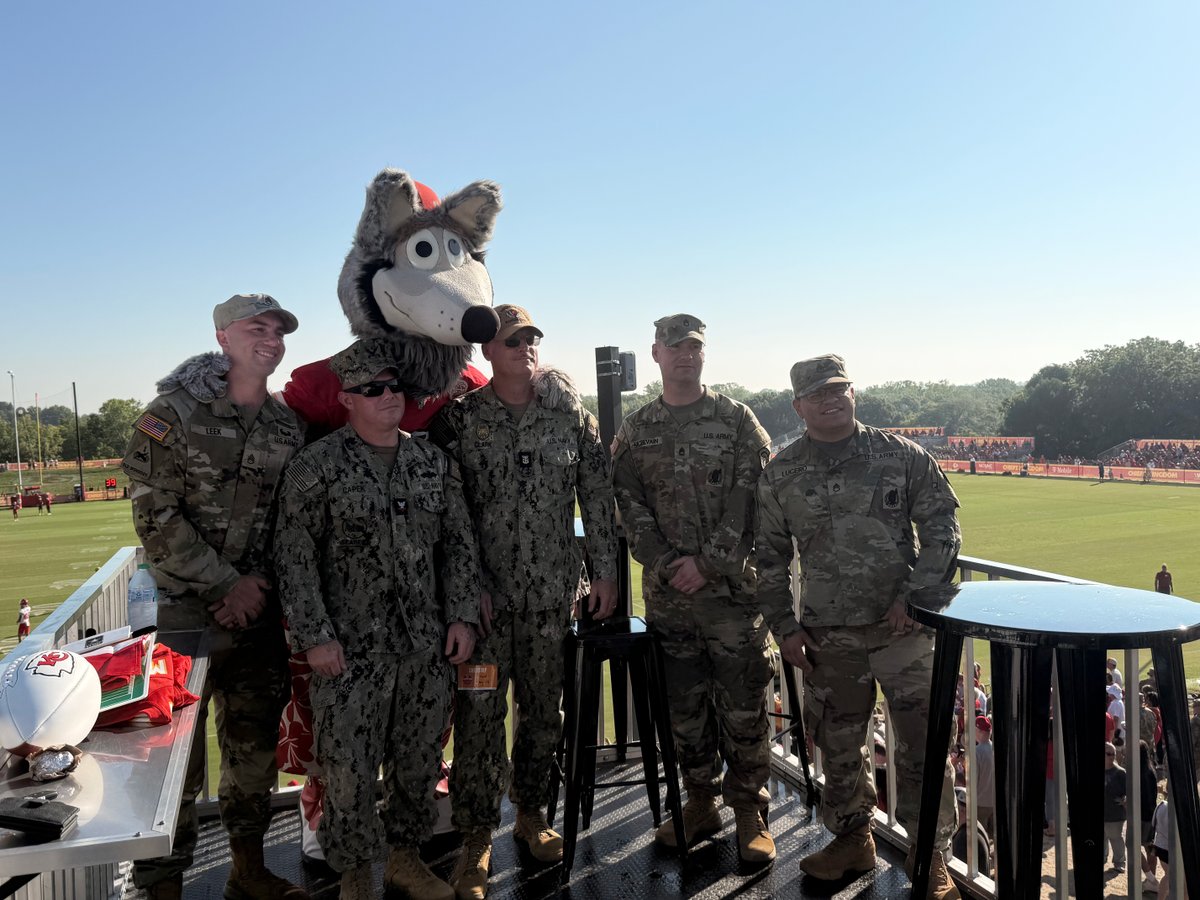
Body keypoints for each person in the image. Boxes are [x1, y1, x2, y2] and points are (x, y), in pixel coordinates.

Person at [274, 340, 480, 899]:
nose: (390, 397)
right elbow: (293, 559)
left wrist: (461, 617)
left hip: (424, 648)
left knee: (418, 763)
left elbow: (459, 546)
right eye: (373, 389)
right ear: (347, 400)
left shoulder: (432, 463)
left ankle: (405, 860)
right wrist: (315, 638)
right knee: (348, 772)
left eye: (395, 387)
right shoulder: (316, 468)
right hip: (348, 653)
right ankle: (356, 877)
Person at [429, 305, 620, 898]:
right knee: (480, 721)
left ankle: (533, 814)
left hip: (549, 602)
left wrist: (606, 573)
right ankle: (477, 841)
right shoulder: (460, 421)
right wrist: (465, 593)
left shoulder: (570, 417)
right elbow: (448, 518)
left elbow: (597, 495)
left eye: (532, 338)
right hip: (486, 612)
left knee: (543, 716)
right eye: (513, 340)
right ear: (489, 351)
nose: (525, 347)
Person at [122, 293, 307, 900]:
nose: (273, 339)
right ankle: (163, 886)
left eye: (280, 331)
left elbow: (295, 522)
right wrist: (227, 585)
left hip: (255, 618)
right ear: (224, 336)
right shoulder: (172, 413)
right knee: (172, 764)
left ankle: (247, 870)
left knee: (252, 754)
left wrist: (255, 592)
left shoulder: (287, 424)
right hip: (182, 617)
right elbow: (154, 516)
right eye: (260, 328)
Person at [755, 353, 961, 898]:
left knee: (924, 744)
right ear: (798, 406)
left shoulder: (902, 456)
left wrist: (914, 598)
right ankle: (853, 839)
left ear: (854, 394)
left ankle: (930, 855)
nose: (830, 400)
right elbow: (769, 558)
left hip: (904, 632)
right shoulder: (783, 471)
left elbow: (943, 527)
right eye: (817, 394)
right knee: (840, 743)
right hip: (828, 636)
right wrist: (784, 625)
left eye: (838, 389)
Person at [610, 314, 777, 863]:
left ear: (705, 355)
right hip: (670, 602)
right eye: (674, 346)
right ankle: (700, 801)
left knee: (744, 706)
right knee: (683, 709)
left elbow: (755, 493)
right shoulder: (637, 430)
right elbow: (626, 502)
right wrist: (662, 561)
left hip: (730, 599)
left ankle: (750, 812)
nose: (685, 355)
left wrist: (710, 562)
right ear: (655, 353)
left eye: (695, 347)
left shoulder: (735, 420)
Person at [1103, 741, 1127, 872]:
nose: (1112, 756)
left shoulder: (1120, 773)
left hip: (1115, 814)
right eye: (1108, 754)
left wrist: (1125, 800)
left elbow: (1128, 792)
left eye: (1113, 753)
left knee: (1116, 838)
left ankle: (1119, 861)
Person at [974, 716, 995, 836]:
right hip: (994, 801)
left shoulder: (977, 752)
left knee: (981, 836)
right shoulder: (995, 749)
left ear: (979, 732)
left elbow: (974, 779)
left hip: (980, 802)